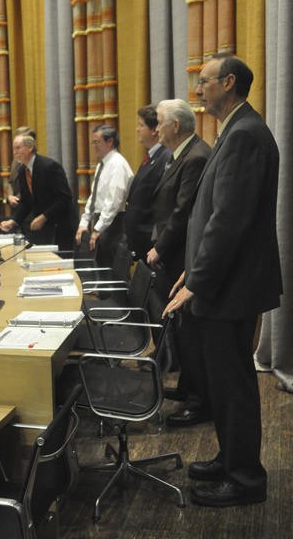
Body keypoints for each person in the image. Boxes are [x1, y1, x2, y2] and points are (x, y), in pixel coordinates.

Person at [163, 54, 282, 507]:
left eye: (205, 80)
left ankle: (245, 479)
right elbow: (212, 215)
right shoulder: (237, 129)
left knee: (233, 385)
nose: (198, 88)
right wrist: (191, 271)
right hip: (222, 282)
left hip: (230, 287)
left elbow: (228, 222)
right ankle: (230, 458)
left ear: (228, 83)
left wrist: (199, 280)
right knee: (224, 381)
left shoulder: (245, 135)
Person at [144, 99, 210, 418]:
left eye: (159, 122)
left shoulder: (195, 155)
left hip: (183, 256)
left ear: (175, 126)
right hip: (176, 254)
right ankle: (188, 386)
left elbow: (182, 212)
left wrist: (160, 247)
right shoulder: (181, 153)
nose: (155, 128)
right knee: (181, 329)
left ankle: (198, 401)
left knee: (189, 329)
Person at [0, 132, 78, 250]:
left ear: (30, 147)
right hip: (44, 228)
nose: (15, 152)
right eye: (13, 149)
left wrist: (44, 216)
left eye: (18, 148)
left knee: (58, 264)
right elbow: (25, 202)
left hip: (61, 225)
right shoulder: (22, 171)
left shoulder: (49, 166)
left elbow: (64, 198)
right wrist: (14, 221)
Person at [76, 125, 134, 267]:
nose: (94, 146)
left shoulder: (117, 164)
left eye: (97, 142)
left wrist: (98, 229)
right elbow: (94, 197)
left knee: (112, 270)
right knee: (102, 267)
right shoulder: (103, 164)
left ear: (110, 142)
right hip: (103, 222)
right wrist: (84, 222)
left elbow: (114, 202)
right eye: (93, 142)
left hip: (114, 225)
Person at [125, 105, 170, 261]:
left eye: (141, 125)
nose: (137, 129)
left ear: (154, 130)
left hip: (149, 238)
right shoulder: (152, 155)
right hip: (139, 237)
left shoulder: (165, 156)